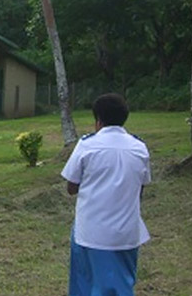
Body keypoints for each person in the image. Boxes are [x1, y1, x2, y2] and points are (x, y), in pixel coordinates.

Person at [61, 93, 151, 296]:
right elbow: (140, 189)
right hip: (127, 231)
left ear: (98, 121)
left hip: (91, 232)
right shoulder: (139, 148)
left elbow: (71, 187)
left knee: (86, 283)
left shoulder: (87, 145)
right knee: (122, 283)